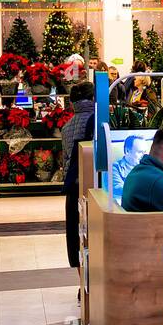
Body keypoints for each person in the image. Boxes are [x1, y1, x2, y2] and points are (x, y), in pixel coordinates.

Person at [61, 82, 96, 267]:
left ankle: (82, 286)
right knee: (94, 235)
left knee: (77, 237)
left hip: (73, 187)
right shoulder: (97, 121)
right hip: (93, 187)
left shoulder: (66, 127)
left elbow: (65, 158)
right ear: (92, 99)